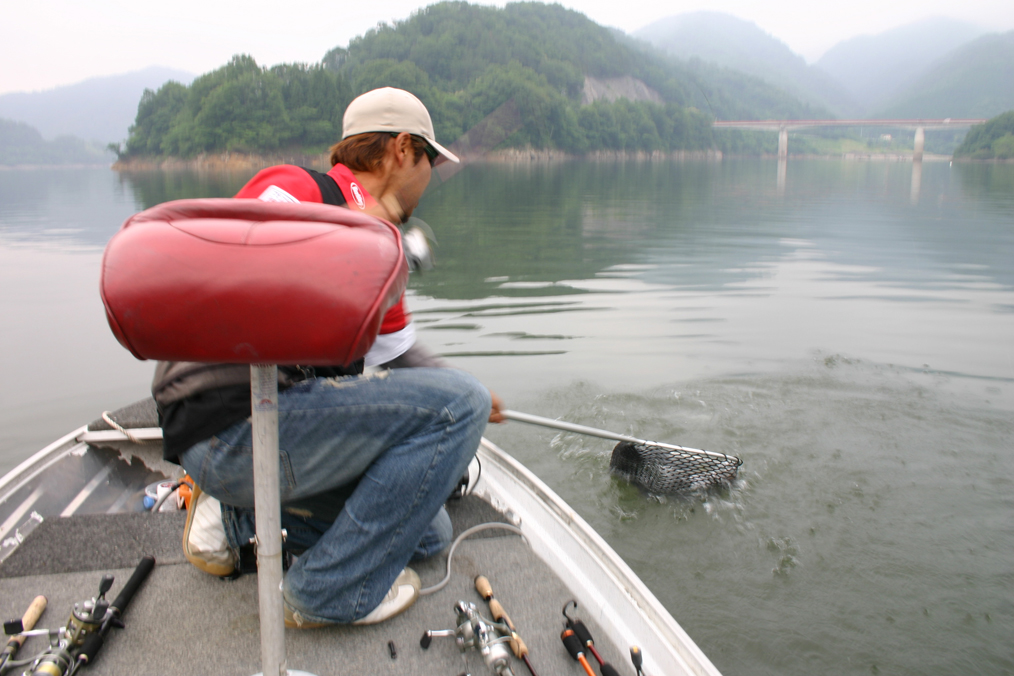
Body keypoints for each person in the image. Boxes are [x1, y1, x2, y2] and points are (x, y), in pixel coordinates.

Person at [153, 87, 503, 627]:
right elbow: (229, 265)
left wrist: (459, 399)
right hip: (229, 423)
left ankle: (232, 518)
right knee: (463, 404)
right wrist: (464, 406)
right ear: (402, 150)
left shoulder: (381, 246)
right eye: (429, 160)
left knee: (429, 533)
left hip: (266, 431)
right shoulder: (297, 189)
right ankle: (325, 593)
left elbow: (401, 359)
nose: (429, 178)